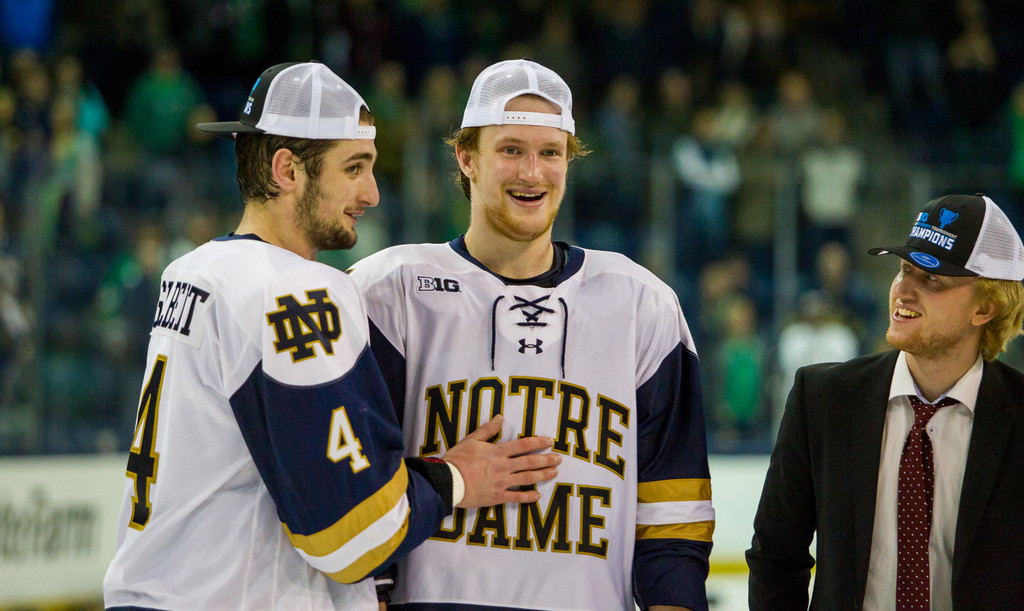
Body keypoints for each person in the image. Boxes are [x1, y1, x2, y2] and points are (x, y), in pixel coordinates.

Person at [102, 61, 560, 611]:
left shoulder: (192, 272)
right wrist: (455, 479)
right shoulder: (298, 292)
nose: (372, 193)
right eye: (355, 167)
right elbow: (351, 536)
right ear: (287, 170)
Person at [349, 58, 714, 611]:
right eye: (511, 150)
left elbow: (674, 512)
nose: (533, 173)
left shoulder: (644, 305)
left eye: (551, 153)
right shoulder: (386, 291)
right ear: (466, 158)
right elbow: (351, 487)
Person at [747, 193, 1024, 609]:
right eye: (904, 270)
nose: (903, 290)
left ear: (985, 306)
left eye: (931, 279)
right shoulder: (822, 399)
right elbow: (775, 555)